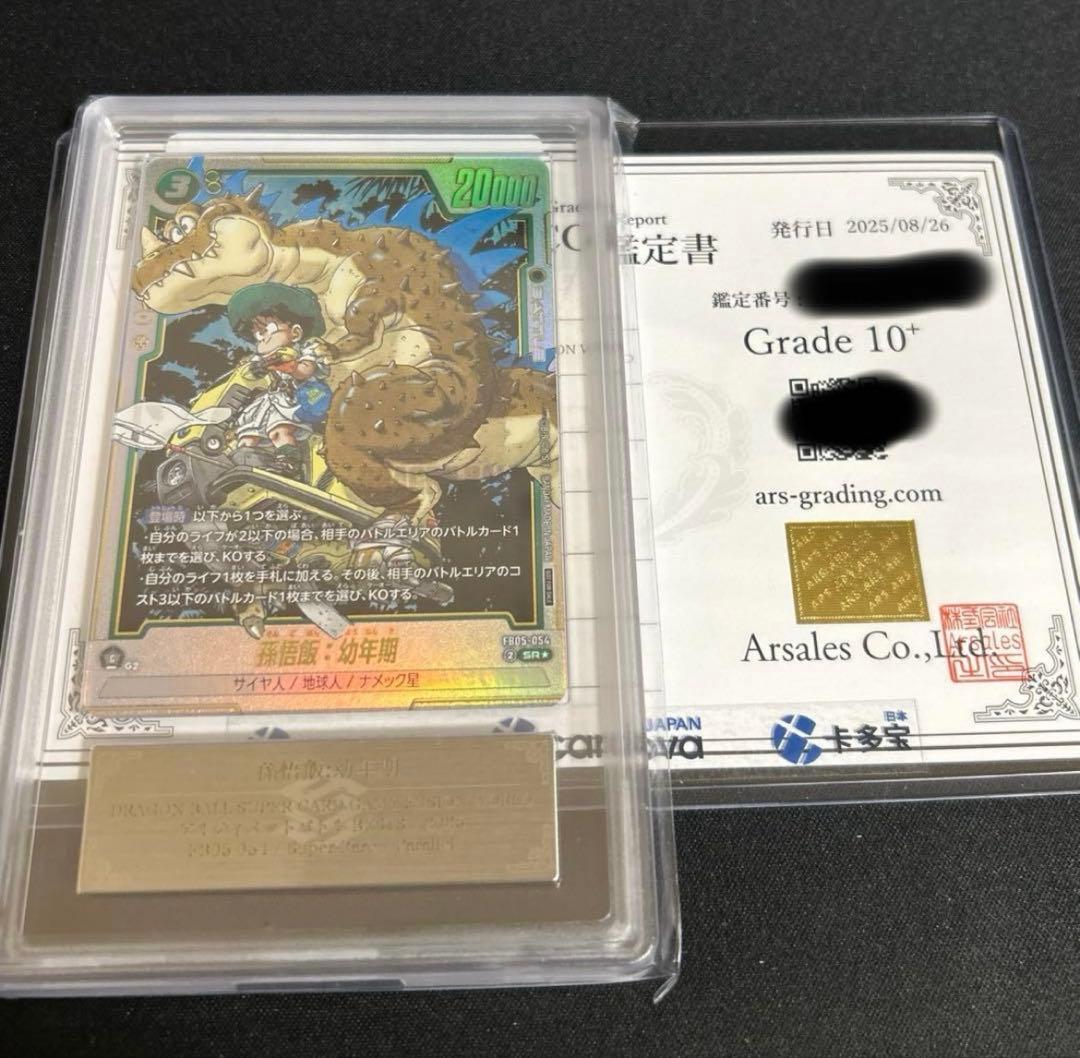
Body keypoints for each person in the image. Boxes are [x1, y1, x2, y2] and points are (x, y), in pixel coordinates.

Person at [226, 282, 331, 479]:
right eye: (258, 334)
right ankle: (243, 460)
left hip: (305, 398)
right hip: (274, 400)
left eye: (268, 329)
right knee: (248, 433)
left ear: (296, 332)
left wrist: (284, 364)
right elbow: (248, 375)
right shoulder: (261, 358)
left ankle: (290, 464)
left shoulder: (308, 348)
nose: (262, 338)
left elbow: (304, 371)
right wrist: (258, 367)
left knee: (279, 430)